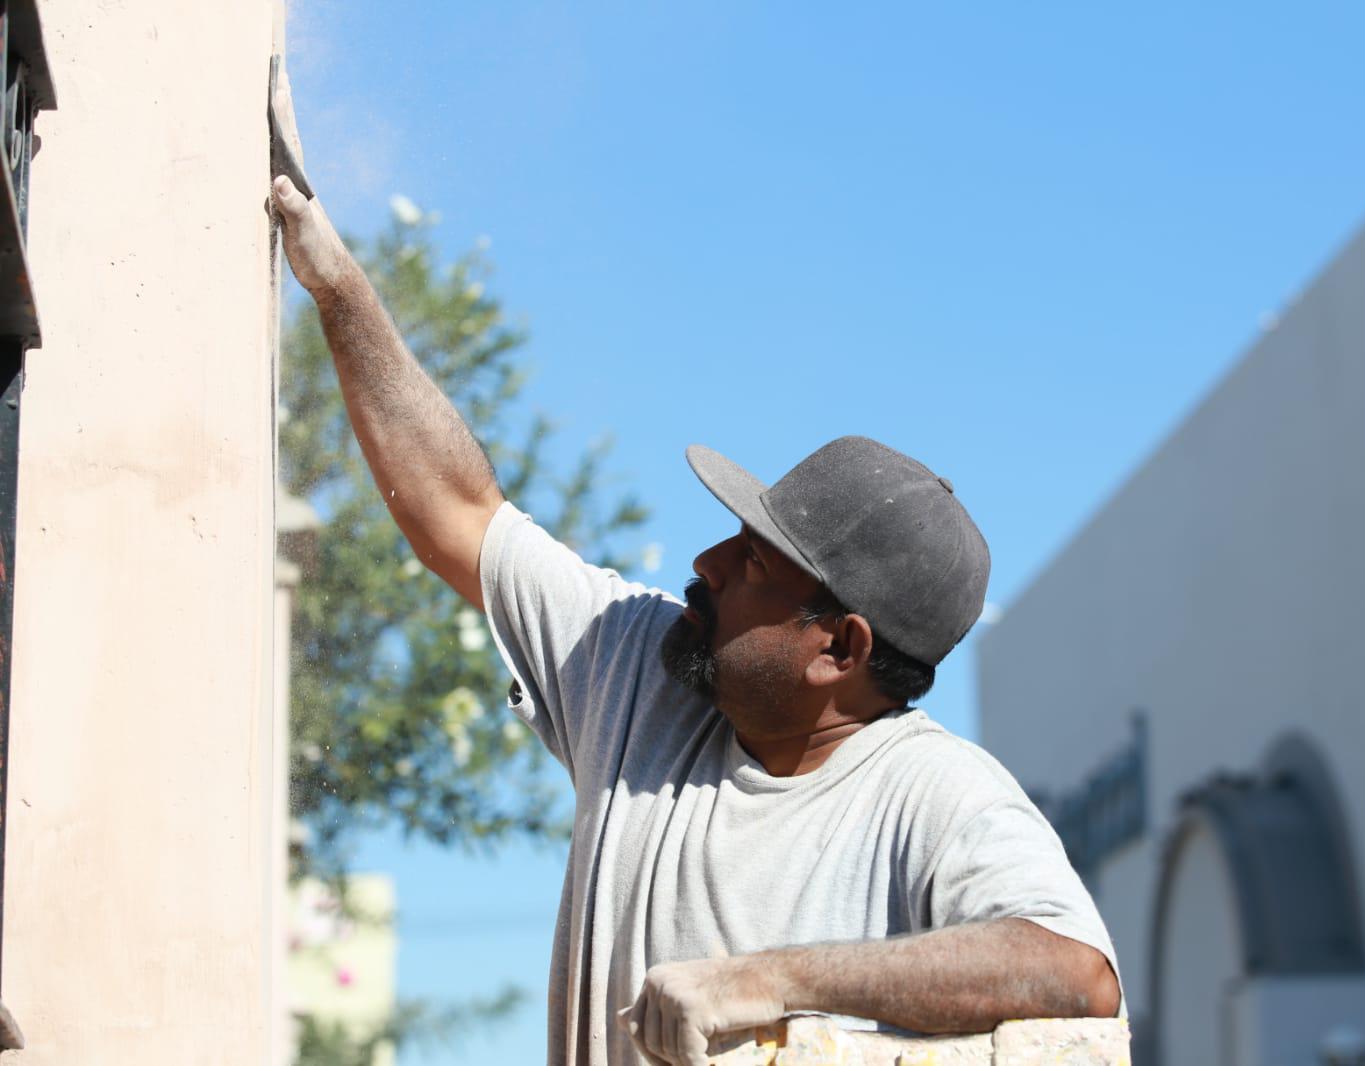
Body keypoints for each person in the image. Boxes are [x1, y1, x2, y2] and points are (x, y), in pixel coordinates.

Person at [270, 71, 1120, 1066]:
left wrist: (766, 981)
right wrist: (337, 286)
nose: (703, 563)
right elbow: (456, 512)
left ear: (838, 646)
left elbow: (1073, 971)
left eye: (751, 562)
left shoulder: (934, 798)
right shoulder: (640, 664)